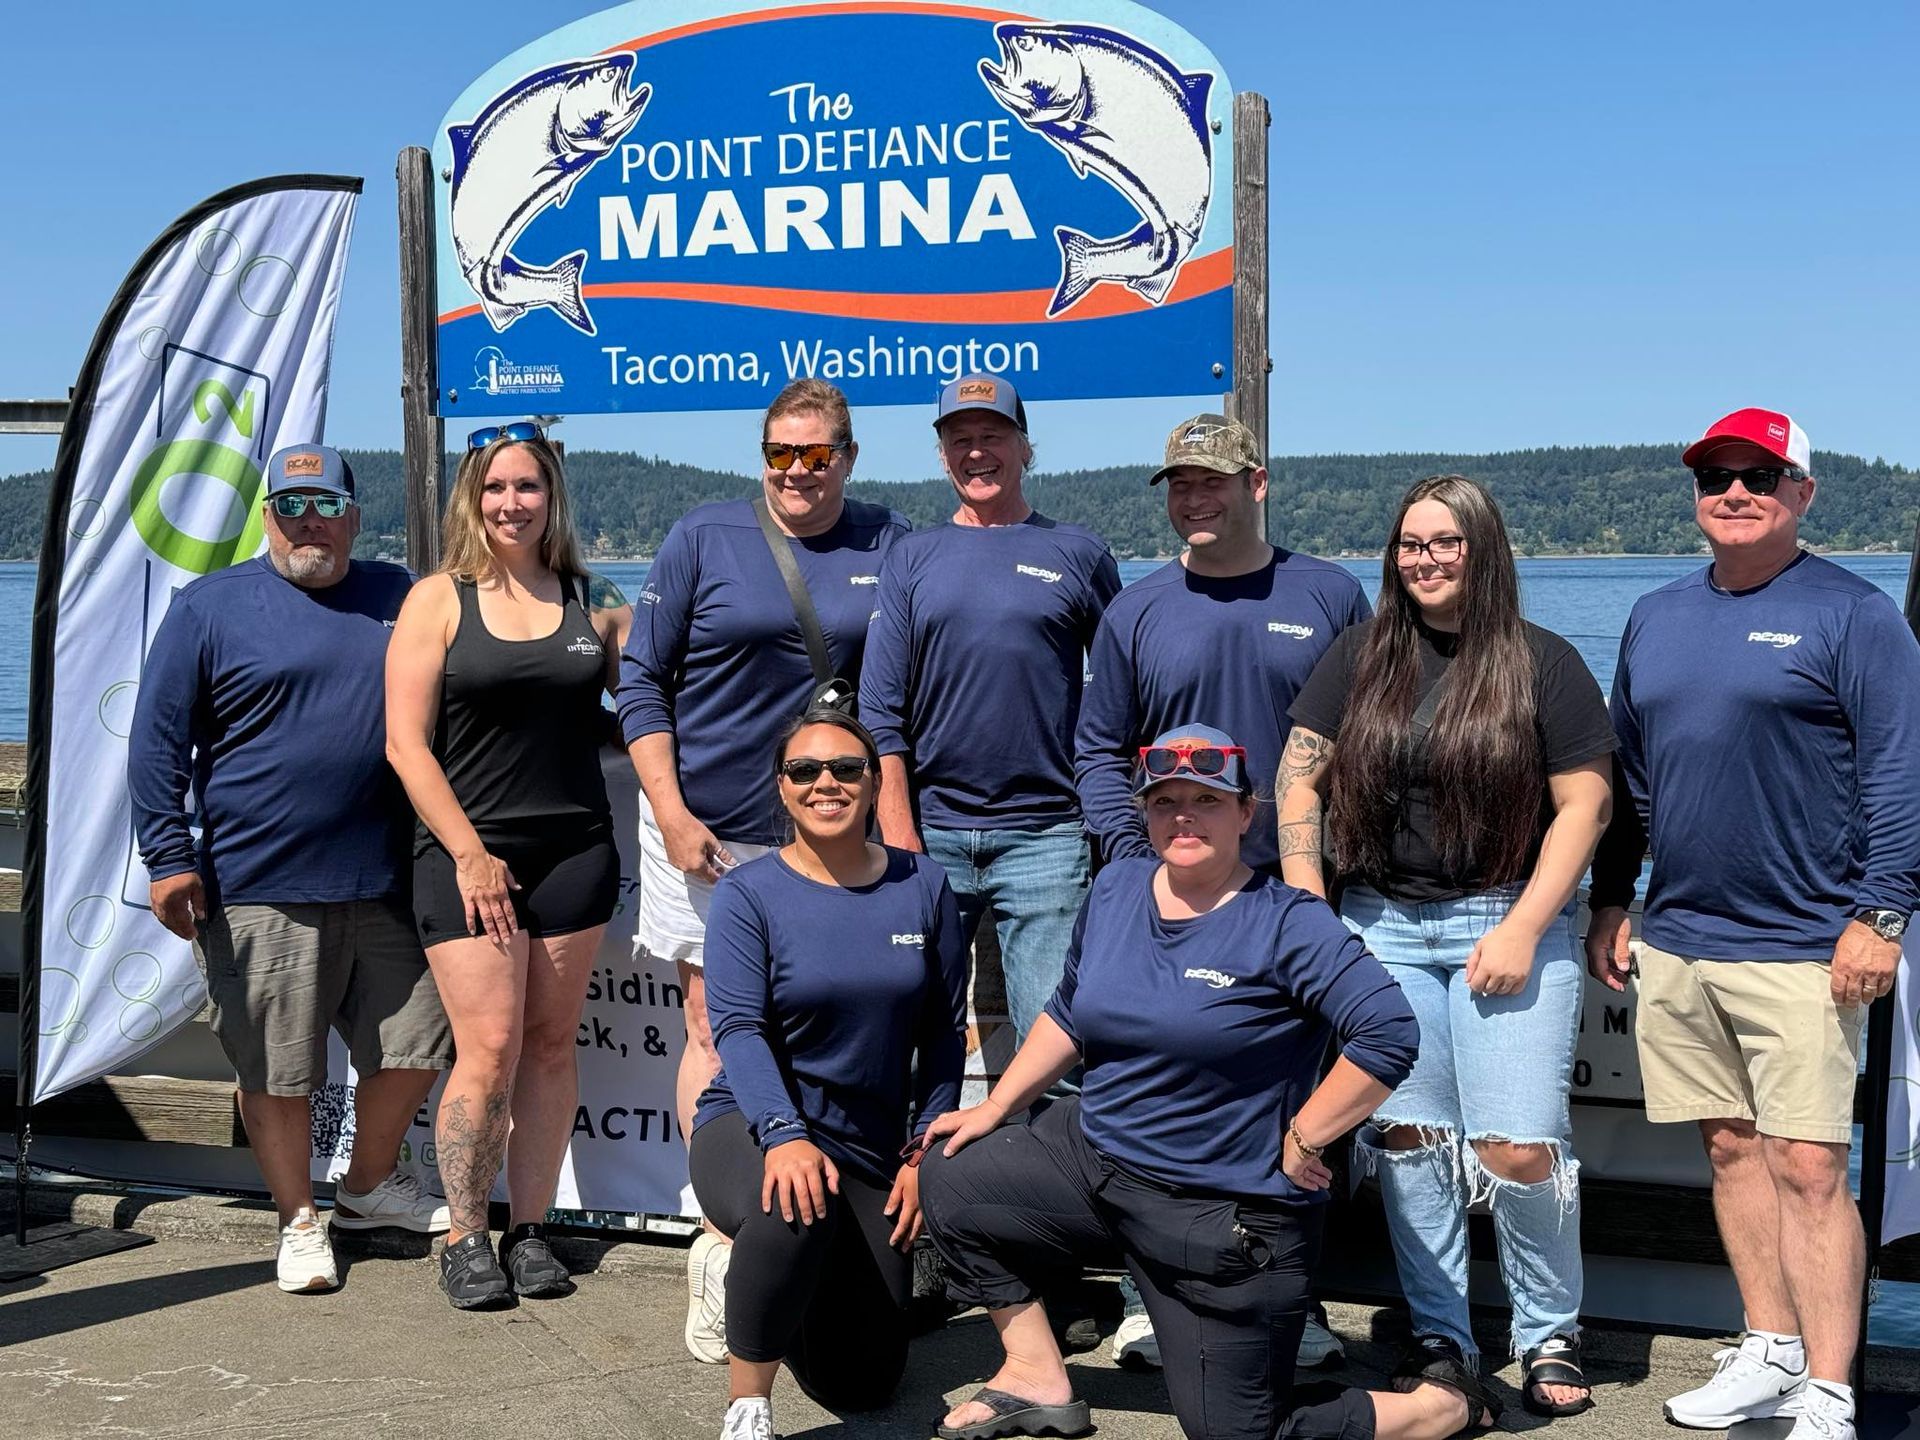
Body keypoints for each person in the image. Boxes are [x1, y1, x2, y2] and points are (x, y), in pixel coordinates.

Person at [919, 724, 1458, 1440]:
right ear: (1143, 812)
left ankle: (1438, 1406)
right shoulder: (1115, 888)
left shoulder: (1287, 923)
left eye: (1205, 800)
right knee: (952, 1174)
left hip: (1220, 1212)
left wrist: (1307, 1134)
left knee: (1236, 1434)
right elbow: (1070, 1008)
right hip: (1094, 1164)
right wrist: (996, 1106)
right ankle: (1032, 1373)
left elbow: (1389, 1032)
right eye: (1164, 800)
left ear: (1245, 813)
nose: (1183, 816)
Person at [1586, 409, 1920, 1440]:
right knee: (1729, 1150)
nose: (1735, 492)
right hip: (1681, 939)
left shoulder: (1855, 615)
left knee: (1811, 1167)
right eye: (1716, 476)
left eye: (1760, 476)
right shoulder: (1654, 614)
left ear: (1803, 492)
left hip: (1807, 944)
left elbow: (1900, 774)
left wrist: (1882, 912)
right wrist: (1612, 895)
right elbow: (1629, 779)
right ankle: (1768, 1348)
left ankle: (1829, 1386)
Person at [1279, 474, 1614, 1417]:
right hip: (1380, 924)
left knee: (1517, 1146)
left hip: (1510, 922)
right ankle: (1443, 1336)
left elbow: (1584, 804)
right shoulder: (1360, 656)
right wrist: (1310, 911)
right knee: (1410, 1138)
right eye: (1410, 543)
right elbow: (1298, 784)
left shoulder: (1542, 663)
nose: (1425, 559)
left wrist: (1520, 926)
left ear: (1484, 548)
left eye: (1446, 541)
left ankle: (1550, 1332)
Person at [617, 379, 908, 1360]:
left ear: (848, 457)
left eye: (816, 455)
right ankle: (721, 1244)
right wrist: (667, 805)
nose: (797, 472)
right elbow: (641, 679)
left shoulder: (890, 541)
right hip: (709, 830)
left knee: (822, 1025)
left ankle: (810, 1227)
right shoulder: (704, 536)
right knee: (711, 1023)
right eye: (780, 454)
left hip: (830, 834)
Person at [1074, 411, 1370, 1368]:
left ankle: (1296, 1300)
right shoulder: (1137, 610)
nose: (1194, 500)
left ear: (1258, 483)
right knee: (1157, 1085)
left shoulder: (1329, 594)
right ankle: (1142, 1297)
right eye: (1179, 487)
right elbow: (1097, 750)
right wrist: (1131, 864)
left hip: (1292, 894)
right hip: (1170, 889)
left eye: (1212, 481)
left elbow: (1367, 742)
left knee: (1302, 1099)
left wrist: (1321, 868)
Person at [130, 443, 452, 1295]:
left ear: (352, 511)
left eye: (325, 505)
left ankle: (367, 1187)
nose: (308, 521)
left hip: (389, 880)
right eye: (291, 505)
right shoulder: (209, 607)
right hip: (258, 884)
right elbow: (156, 742)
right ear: (267, 513)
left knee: (420, 1043)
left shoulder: (404, 595)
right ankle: (298, 1220)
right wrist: (168, 857)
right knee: (274, 1067)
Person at [386, 421, 632, 1309]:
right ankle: (464, 1234)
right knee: (486, 1048)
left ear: (551, 497)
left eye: (527, 487)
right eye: (495, 488)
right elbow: (406, 747)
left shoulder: (593, 597)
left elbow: (642, 707)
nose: (510, 503)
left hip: (575, 851)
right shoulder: (437, 600)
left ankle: (529, 1229)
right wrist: (471, 855)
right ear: (472, 497)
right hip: (466, 859)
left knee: (549, 1044)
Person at [691, 709, 967, 1440]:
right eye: (804, 770)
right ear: (781, 789)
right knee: (790, 1202)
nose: (826, 783)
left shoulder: (925, 885)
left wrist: (922, 1150)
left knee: (867, 1383)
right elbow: (739, 1031)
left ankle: (767, 1277)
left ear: (875, 783)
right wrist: (782, 1134)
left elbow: (942, 1034)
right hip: (753, 1123)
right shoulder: (750, 894)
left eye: (847, 768)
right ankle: (747, 1406)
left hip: (870, 1143)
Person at [860, 373, 1121, 1062]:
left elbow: (1123, 695)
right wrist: (899, 835)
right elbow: (880, 710)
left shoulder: (1080, 554)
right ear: (942, 456)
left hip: (1048, 836)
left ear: (1025, 448)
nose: (978, 453)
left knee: (1055, 1049)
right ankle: (917, 1168)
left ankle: (1044, 1170)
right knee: (908, 1038)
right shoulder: (911, 559)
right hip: (931, 834)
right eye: (961, 440)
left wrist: (1108, 815)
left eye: (993, 437)